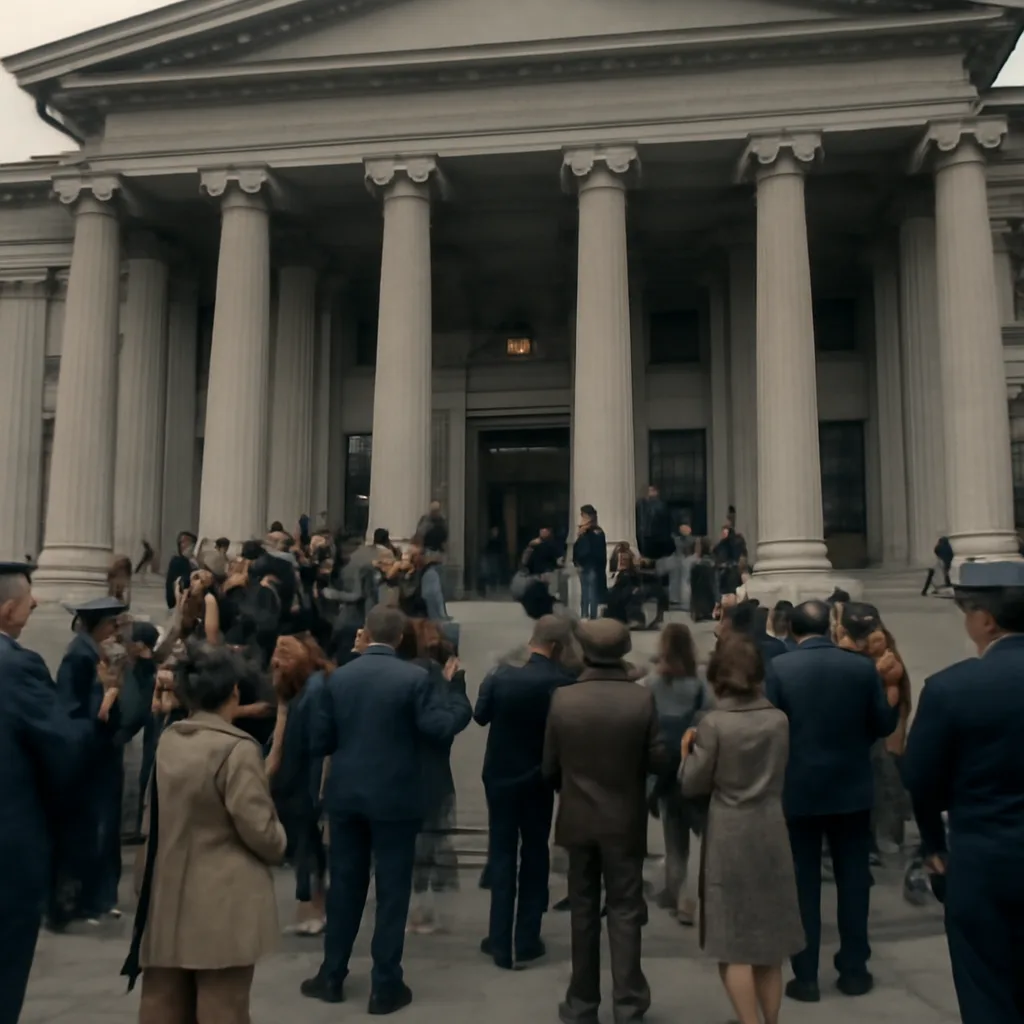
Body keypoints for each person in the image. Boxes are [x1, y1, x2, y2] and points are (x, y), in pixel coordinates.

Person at [302, 605, 472, 1012]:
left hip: (347, 795)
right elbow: (439, 727)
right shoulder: (414, 678)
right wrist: (458, 693)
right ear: (398, 639)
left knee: (345, 886)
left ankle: (332, 974)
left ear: (367, 633)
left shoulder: (339, 677)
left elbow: (320, 739)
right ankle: (385, 984)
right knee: (392, 890)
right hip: (397, 796)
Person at [122, 643, 288, 1023]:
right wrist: (280, 839)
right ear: (233, 692)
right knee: (222, 1006)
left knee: (162, 1002)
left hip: (166, 892)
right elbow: (260, 831)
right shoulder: (236, 749)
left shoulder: (169, 740)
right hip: (222, 899)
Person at [903, 561, 1024, 1024]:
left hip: (983, 861)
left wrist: (934, 845)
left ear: (986, 620)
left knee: (987, 991)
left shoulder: (953, 688)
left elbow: (920, 778)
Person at [766, 600, 899, 1003]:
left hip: (800, 786)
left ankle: (805, 975)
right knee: (853, 880)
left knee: (803, 882)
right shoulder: (860, 668)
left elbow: (772, 725)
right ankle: (854, 969)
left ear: (791, 627)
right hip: (851, 787)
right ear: (829, 626)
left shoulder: (780, 669)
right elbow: (882, 724)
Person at [542, 619, 669, 1024]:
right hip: (624, 818)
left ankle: (582, 1002)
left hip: (578, 818)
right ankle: (629, 1003)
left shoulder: (563, 699)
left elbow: (548, 768)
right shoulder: (641, 700)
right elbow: (659, 760)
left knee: (583, 911)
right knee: (626, 910)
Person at [680, 633, 805, 1024]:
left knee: (733, 943)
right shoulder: (778, 720)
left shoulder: (714, 724)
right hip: (770, 827)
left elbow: (693, 783)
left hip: (730, 832)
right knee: (769, 945)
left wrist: (688, 753)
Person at [0, 562, 92, 1024]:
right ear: (7, 608)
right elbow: (65, 748)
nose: (35, 603)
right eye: (27, 596)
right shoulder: (16, 667)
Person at [475, 615, 575, 969]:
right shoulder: (562, 682)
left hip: (500, 776)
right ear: (560, 647)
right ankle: (527, 937)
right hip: (538, 778)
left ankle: (499, 938)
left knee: (501, 853)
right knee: (535, 853)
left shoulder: (501, 676)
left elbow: (480, 715)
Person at [50, 595, 129, 926]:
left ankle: (94, 897)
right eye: (111, 623)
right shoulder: (79, 656)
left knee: (101, 827)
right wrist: (106, 698)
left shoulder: (91, 652)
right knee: (89, 827)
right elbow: (71, 707)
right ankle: (79, 901)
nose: (115, 629)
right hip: (90, 754)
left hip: (100, 752)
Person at [644, 622, 710, 926]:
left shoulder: (651, 683)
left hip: (662, 769)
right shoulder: (699, 684)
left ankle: (673, 890)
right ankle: (690, 900)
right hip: (692, 764)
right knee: (702, 836)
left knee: (674, 838)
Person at [266, 635, 330, 936]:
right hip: (299, 780)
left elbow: (316, 742)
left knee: (307, 849)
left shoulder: (312, 690)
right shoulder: (306, 689)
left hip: (304, 781)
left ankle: (313, 909)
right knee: (307, 848)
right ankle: (312, 908)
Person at [573, 504, 607, 620]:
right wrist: (576, 562)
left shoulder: (596, 532)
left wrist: (588, 531)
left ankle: (592, 615)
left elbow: (595, 549)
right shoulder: (582, 532)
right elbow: (577, 548)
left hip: (592, 565)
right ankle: (584, 613)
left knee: (592, 592)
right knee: (585, 591)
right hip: (582, 565)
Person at [165, 531, 198, 610]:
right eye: (181, 542)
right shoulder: (177, 561)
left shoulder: (196, 562)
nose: (184, 545)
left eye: (187, 542)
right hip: (181, 604)